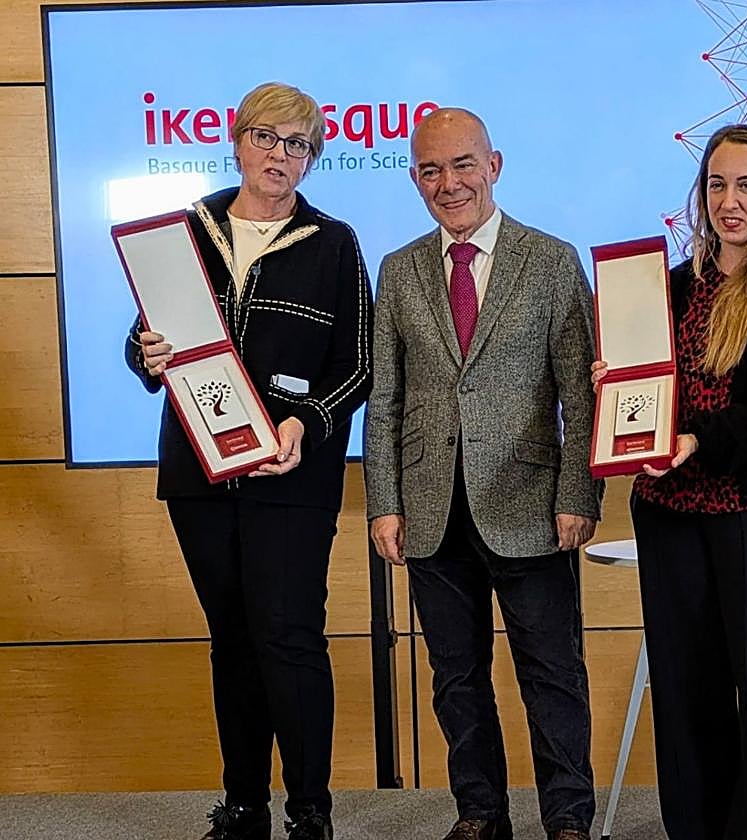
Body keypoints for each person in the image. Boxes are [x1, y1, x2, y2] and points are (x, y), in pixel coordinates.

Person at [126, 82, 373, 840]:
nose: (281, 156)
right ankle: (243, 806)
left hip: (291, 475)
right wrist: (147, 354)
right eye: (268, 138)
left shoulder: (333, 243)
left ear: (312, 160)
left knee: (288, 634)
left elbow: (358, 365)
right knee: (230, 637)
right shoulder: (187, 231)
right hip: (198, 474)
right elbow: (144, 341)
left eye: (298, 145)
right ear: (236, 140)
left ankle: (310, 812)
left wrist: (307, 421)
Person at [365, 107, 602, 840]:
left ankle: (567, 817)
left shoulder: (552, 260)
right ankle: (479, 813)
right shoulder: (399, 270)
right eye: (430, 170)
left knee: (552, 675)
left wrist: (578, 493)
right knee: (455, 679)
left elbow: (581, 391)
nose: (448, 182)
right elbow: (386, 397)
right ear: (414, 180)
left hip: (531, 504)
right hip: (431, 509)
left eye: (462, 164)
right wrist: (383, 502)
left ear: (493, 166)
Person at [592, 124, 747, 839]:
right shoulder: (669, 286)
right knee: (686, 695)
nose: (731, 200)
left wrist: (695, 439)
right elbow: (645, 388)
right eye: (718, 184)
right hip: (668, 511)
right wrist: (615, 389)